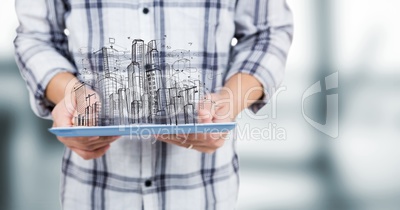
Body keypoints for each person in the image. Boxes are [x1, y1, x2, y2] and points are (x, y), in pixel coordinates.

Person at [14, 0, 293, 209]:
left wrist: (228, 101)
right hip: (93, 191)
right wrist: (69, 92)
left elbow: (268, 31)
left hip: (205, 190)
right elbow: (36, 36)